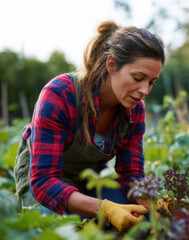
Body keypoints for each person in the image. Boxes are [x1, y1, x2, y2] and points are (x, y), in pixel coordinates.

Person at [14, 20, 165, 232]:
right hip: (45, 179)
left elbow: (130, 172)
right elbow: (44, 182)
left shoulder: (135, 111)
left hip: (91, 176)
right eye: (138, 78)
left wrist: (148, 200)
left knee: (140, 222)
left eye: (151, 82)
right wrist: (105, 209)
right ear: (111, 65)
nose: (144, 90)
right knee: (59, 232)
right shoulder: (60, 94)